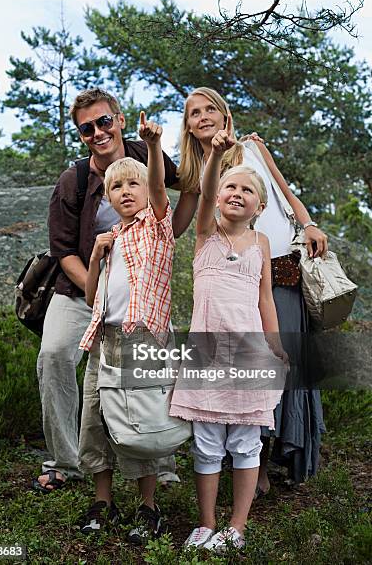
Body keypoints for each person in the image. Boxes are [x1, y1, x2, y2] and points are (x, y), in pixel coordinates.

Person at [174, 87, 327, 495]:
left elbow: (283, 191)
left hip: (281, 267)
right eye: (194, 113)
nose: (203, 116)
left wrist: (308, 223)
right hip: (237, 277)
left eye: (211, 109)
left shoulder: (250, 148)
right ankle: (248, 461)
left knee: (280, 358)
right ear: (187, 126)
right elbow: (178, 226)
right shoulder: (196, 175)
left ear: (225, 115)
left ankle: (276, 455)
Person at [33, 89, 179, 493]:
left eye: (104, 121)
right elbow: (62, 251)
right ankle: (66, 461)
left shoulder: (148, 156)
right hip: (81, 289)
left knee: (147, 370)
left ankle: (159, 461)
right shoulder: (73, 179)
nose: (97, 132)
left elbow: (187, 188)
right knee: (54, 356)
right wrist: (95, 291)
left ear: (120, 119)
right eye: (86, 128)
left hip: (139, 295)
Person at [170, 119, 286, 552]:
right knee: (206, 443)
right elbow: (202, 193)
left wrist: (276, 349)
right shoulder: (205, 235)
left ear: (258, 206)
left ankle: (236, 526)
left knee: (244, 442)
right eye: (230, 188)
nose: (236, 194)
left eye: (247, 191)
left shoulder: (260, 244)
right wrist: (217, 154)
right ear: (218, 197)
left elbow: (266, 301)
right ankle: (205, 523)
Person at [78, 113, 176, 543]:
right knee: (95, 418)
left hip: (142, 340)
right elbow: (90, 298)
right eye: (116, 187)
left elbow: (158, 189)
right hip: (105, 339)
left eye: (132, 184)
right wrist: (98, 256)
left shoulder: (156, 227)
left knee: (142, 422)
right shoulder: (111, 237)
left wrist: (153, 147)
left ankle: (148, 506)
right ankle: (103, 501)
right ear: (109, 199)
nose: (125, 192)